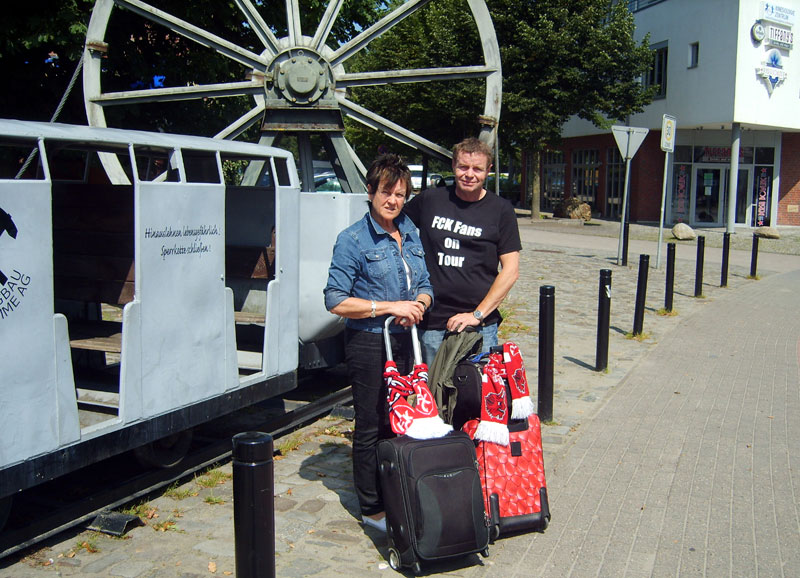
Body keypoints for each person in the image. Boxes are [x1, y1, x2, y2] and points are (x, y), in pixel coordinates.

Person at [323, 154, 433, 532]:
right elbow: (335, 300)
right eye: (386, 192)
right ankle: (371, 508)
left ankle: (394, 489)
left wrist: (418, 305)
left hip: (406, 341)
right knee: (370, 423)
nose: (393, 201)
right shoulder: (353, 239)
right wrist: (389, 306)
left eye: (400, 195)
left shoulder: (411, 231)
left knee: (398, 420)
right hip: (369, 343)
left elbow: (425, 285)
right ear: (370, 191)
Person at [404, 137, 521, 364]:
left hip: (480, 326)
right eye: (463, 167)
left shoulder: (501, 210)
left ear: (489, 171)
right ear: (453, 166)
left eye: (477, 169)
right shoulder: (430, 200)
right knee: (431, 395)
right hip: (432, 322)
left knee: (478, 396)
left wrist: (477, 315)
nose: (469, 174)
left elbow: (511, 270)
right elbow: (392, 228)